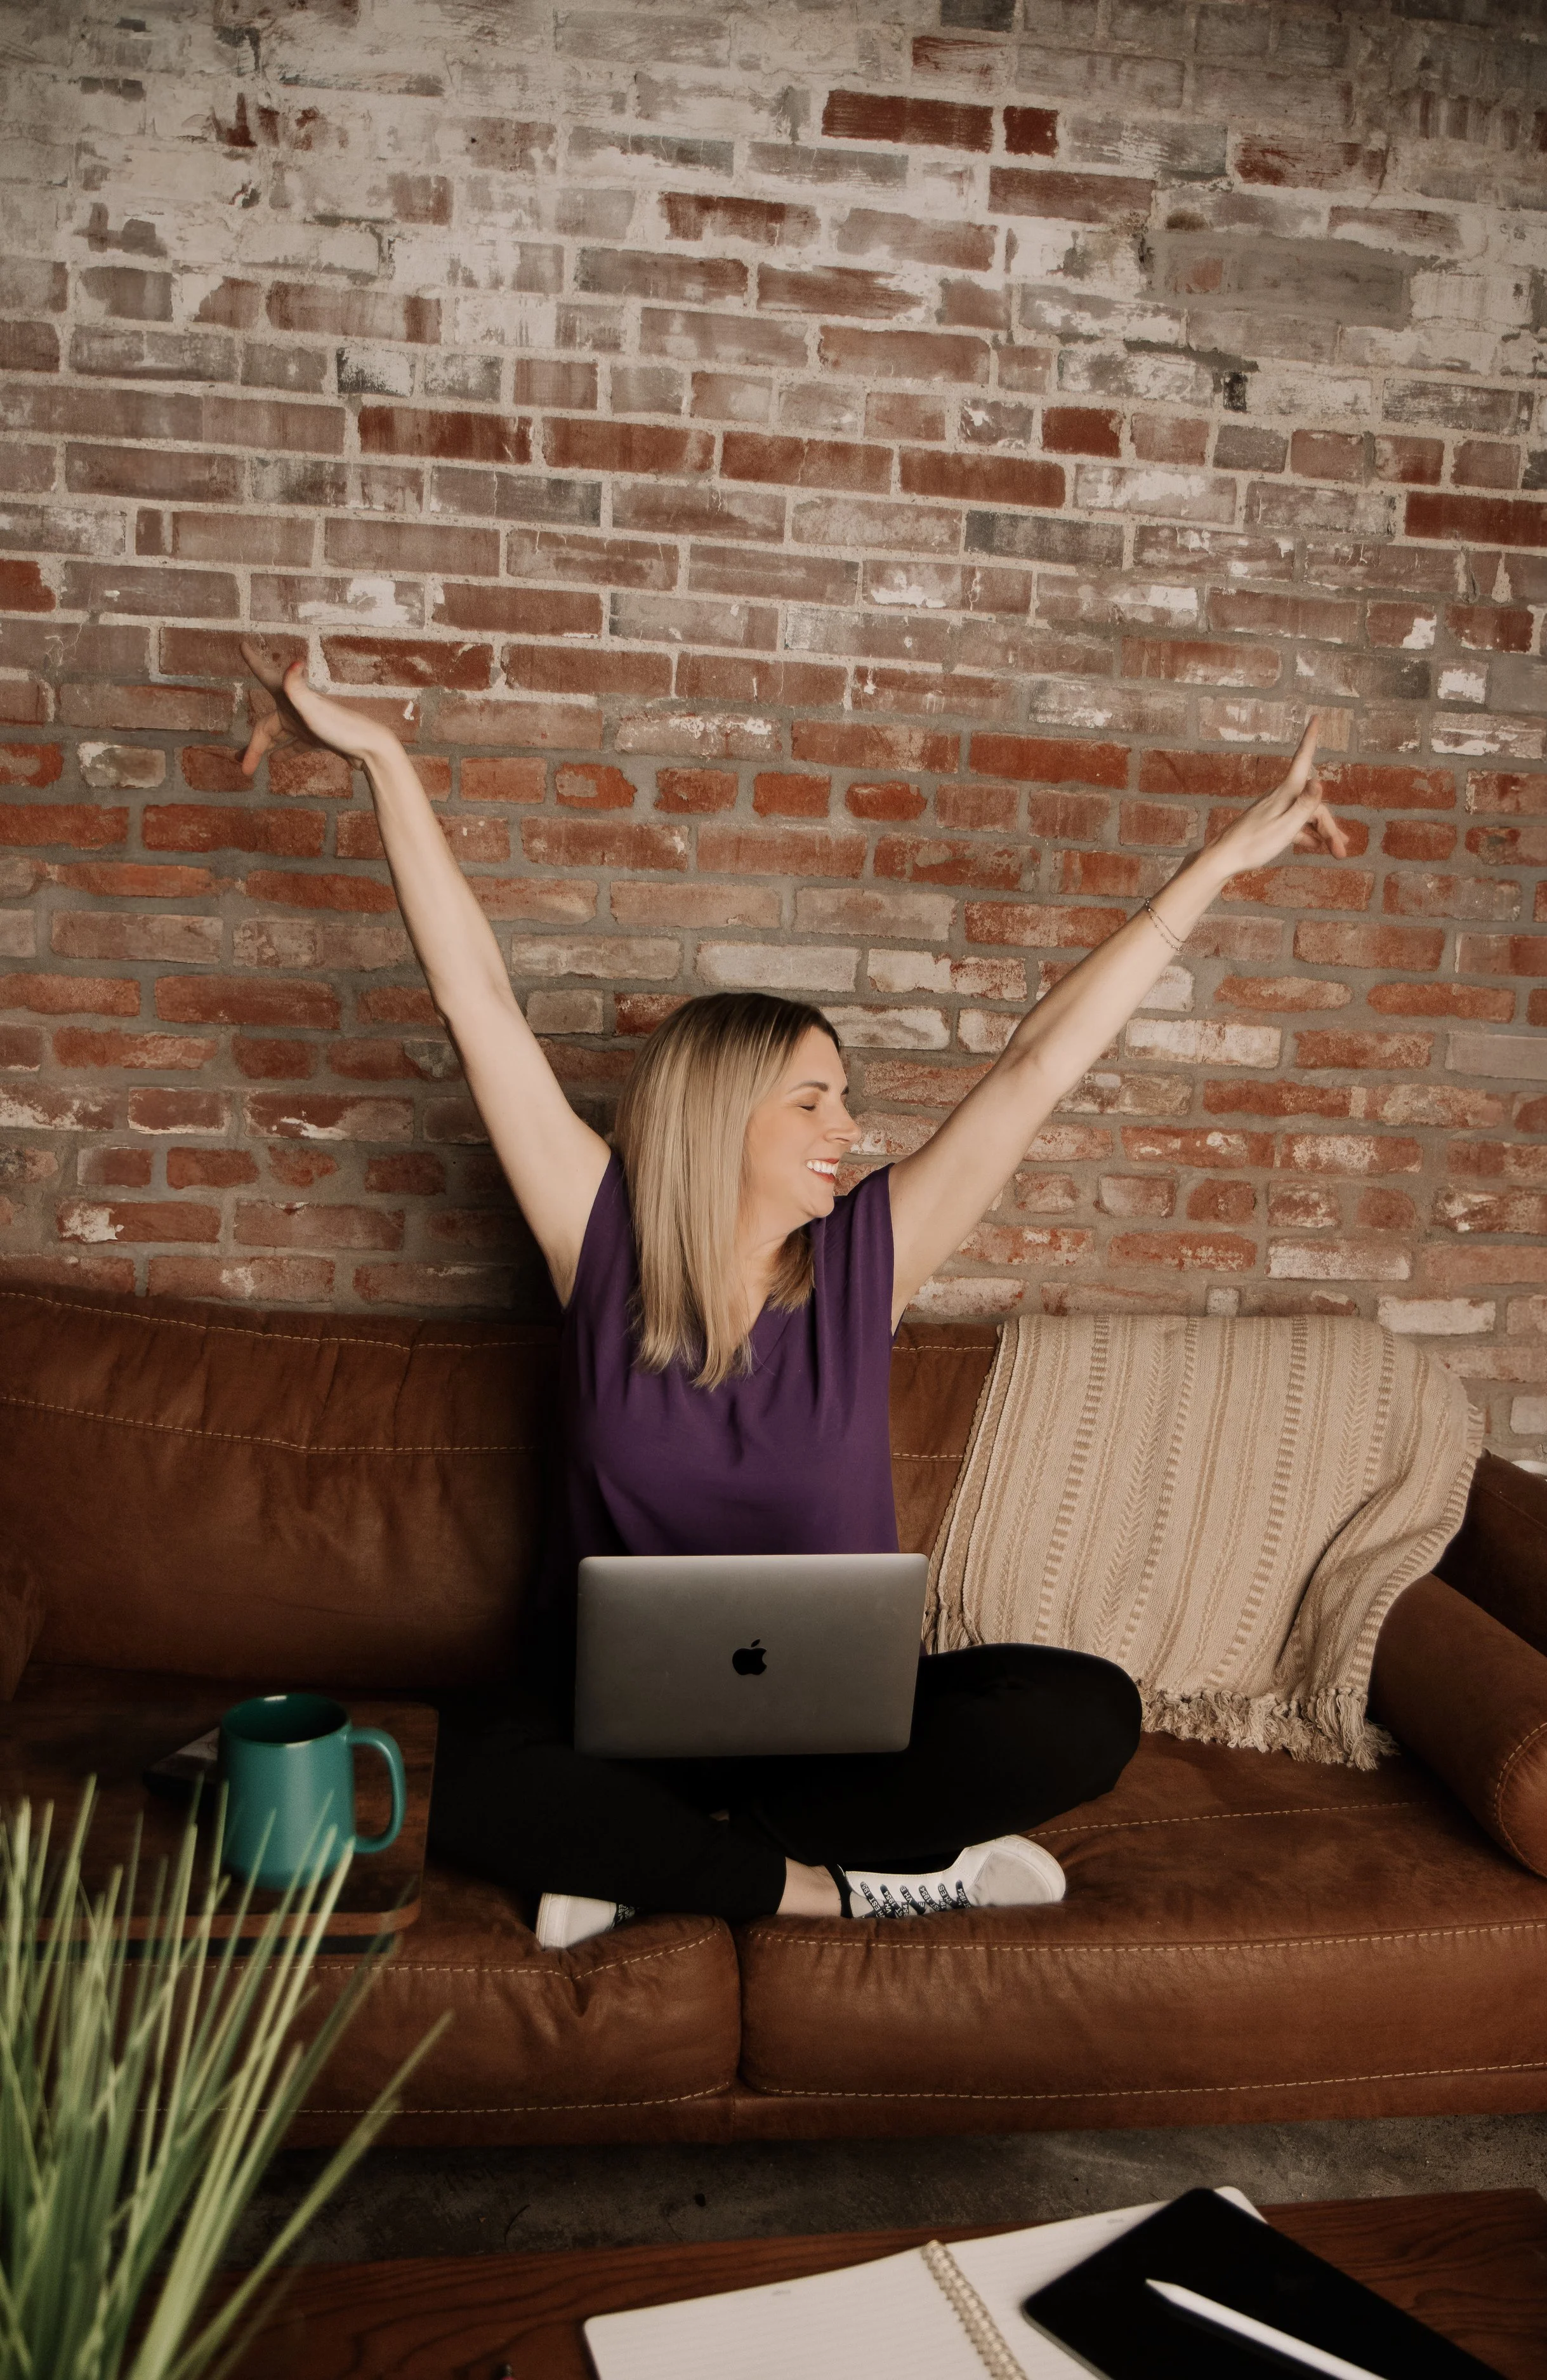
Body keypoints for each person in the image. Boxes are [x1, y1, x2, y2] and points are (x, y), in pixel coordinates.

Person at [237, 643, 1348, 1947]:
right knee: (450, 1765)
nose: (848, 1125)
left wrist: (1212, 872)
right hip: (610, 1738)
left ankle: (666, 1869)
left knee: (1081, 1710)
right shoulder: (597, 1242)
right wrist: (380, 755)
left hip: (826, 1749)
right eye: (812, 1098)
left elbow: (1034, 1068)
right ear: (721, 1115)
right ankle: (828, 1887)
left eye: (846, 1098)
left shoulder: (866, 1259)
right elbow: (472, 998)